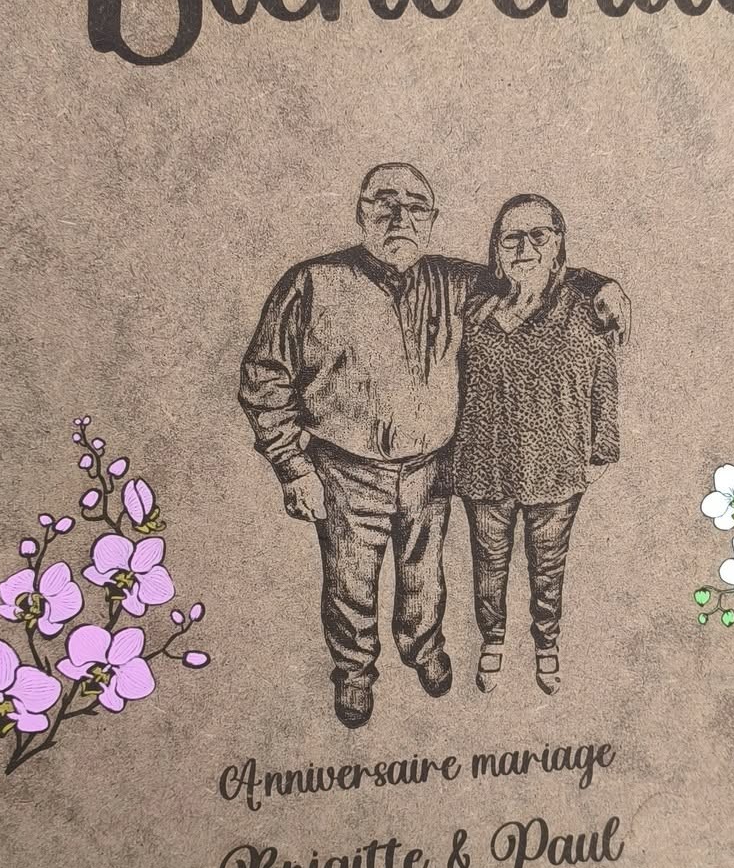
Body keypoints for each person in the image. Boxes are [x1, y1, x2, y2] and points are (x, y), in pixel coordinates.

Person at [239, 164, 627, 728]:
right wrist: (292, 466)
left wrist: (600, 286)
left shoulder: (456, 280)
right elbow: (263, 378)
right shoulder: (312, 282)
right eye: (384, 203)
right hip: (347, 471)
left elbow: (532, 271)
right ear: (360, 211)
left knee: (424, 578)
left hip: (429, 471)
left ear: (432, 219)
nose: (400, 218)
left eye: (416, 207)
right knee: (351, 585)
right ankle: (354, 673)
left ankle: (422, 650)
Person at [452, 195, 620, 698]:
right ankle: (493, 640)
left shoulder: (588, 311)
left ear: (558, 244)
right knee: (489, 565)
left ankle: (546, 644)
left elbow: (604, 385)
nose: (524, 248)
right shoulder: (476, 310)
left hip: (557, 467)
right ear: (496, 250)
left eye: (538, 236)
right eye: (511, 238)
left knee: (548, 568)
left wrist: (601, 452)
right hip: (486, 464)